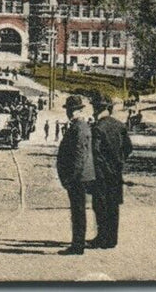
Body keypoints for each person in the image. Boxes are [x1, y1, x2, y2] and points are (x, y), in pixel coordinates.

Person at [89, 94, 133, 249]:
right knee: (113, 206)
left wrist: (101, 166)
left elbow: (95, 152)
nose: (94, 110)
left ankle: (102, 238)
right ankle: (112, 239)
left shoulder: (98, 127)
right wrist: (119, 161)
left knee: (100, 205)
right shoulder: (120, 125)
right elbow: (128, 147)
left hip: (101, 174)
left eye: (96, 107)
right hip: (116, 173)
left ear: (100, 109)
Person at [55, 94, 98, 255]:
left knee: (78, 210)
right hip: (79, 176)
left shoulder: (79, 127)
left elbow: (80, 154)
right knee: (77, 210)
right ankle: (77, 243)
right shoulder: (79, 126)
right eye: (69, 110)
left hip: (78, 177)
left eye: (72, 110)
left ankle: (78, 245)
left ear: (78, 111)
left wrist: (72, 177)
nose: (69, 113)